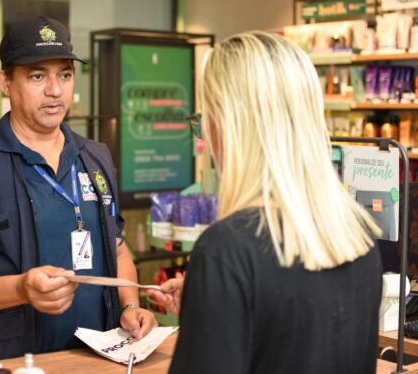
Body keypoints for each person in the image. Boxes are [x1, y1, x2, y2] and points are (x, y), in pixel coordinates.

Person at [0, 16, 156, 368]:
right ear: (5, 82)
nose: (55, 90)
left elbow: (117, 250)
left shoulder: (95, 157)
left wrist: (130, 305)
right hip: (6, 363)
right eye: (37, 76)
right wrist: (19, 289)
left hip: (95, 360)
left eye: (65, 75)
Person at [149, 31, 383, 373]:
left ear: (231, 125)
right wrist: (212, 306)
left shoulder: (227, 248)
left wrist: (216, 296)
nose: (206, 135)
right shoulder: (357, 232)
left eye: (206, 118)